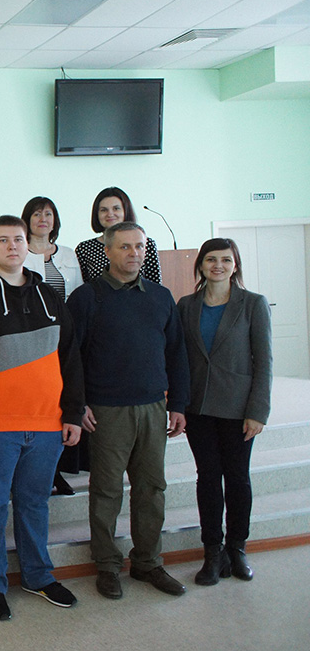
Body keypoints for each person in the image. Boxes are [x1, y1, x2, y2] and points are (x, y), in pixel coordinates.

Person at [0, 217, 85, 621]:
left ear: (29, 245)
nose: (12, 246)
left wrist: (73, 412)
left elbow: (70, 358)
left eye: (18, 239)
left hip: (47, 424)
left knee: (34, 504)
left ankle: (38, 575)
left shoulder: (50, 296)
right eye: (3, 240)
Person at [67, 222, 189, 600]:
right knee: (106, 491)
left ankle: (148, 562)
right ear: (107, 251)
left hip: (153, 407)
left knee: (152, 489)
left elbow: (176, 353)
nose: (134, 253)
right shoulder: (87, 298)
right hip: (106, 410)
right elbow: (70, 357)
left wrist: (178, 404)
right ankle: (107, 564)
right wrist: (78, 404)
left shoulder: (161, 297)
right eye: (124, 247)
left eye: (139, 246)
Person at [178, 238, 272, 585]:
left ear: (235, 266)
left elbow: (264, 361)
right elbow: (179, 358)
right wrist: (177, 404)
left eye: (226, 260)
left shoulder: (253, 304)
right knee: (207, 477)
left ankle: (237, 548)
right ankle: (212, 552)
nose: (218, 265)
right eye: (211, 259)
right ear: (201, 265)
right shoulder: (186, 305)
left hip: (238, 407)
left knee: (237, 478)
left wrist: (258, 410)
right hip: (198, 406)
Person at [21, 196, 85, 495]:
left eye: (48, 214)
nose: (42, 219)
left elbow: (79, 295)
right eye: (36, 214)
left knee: (63, 399)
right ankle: (37, 471)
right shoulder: (20, 252)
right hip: (33, 340)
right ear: (27, 220)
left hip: (65, 337)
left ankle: (56, 469)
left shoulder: (68, 254)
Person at [75, 187, 161, 284]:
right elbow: (81, 287)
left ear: (126, 211)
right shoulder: (84, 248)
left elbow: (155, 286)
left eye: (116, 208)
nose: (110, 214)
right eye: (104, 210)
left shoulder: (146, 244)